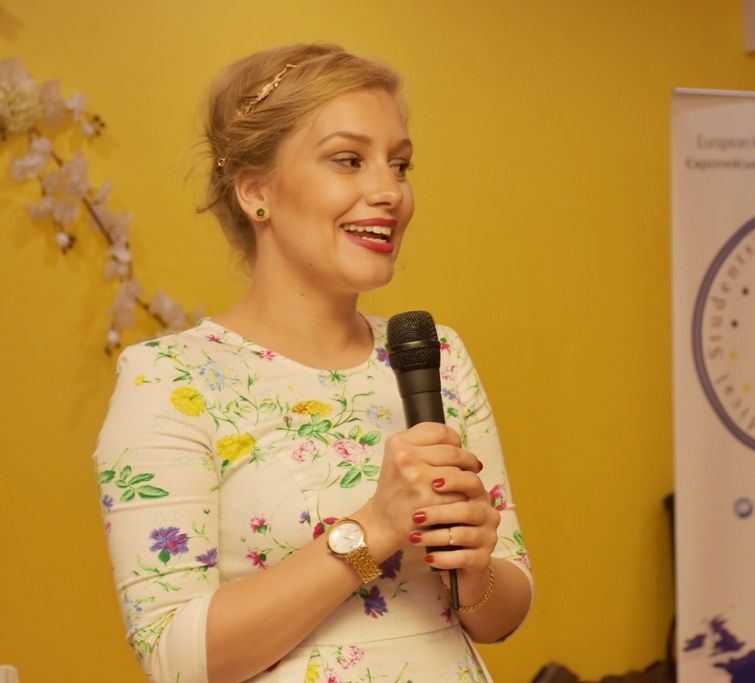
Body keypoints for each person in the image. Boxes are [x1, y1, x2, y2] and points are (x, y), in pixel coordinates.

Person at [93, 43, 532, 683]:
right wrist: (373, 529)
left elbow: (500, 617)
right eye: (348, 160)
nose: (389, 191)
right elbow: (175, 658)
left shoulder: (435, 355)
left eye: (400, 165)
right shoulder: (167, 380)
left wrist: (473, 564)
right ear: (256, 191)